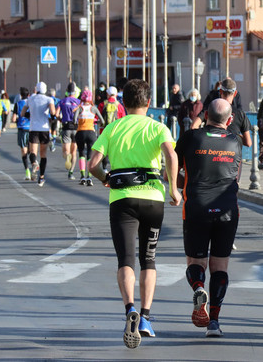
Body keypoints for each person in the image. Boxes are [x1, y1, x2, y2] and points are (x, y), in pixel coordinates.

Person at [88, 79, 181, 349]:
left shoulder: (112, 127)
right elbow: (171, 156)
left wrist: (106, 178)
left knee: (126, 260)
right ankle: (146, 318)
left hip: (122, 199)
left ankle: (130, 308)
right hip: (153, 198)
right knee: (149, 259)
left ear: (123, 104)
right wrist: (174, 189)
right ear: (148, 103)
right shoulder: (157, 127)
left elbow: (92, 164)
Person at [174, 98, 241, 337]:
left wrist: (179, 186)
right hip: (227, 210)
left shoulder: (191, 138)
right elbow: (236, 177)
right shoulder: (235, 141)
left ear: (205, 116)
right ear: (230, 120)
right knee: (220, 266)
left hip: (197, 207)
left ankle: (199, 287)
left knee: (196, 263)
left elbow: (172, 168)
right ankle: (214, 322)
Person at [21, 82, 57, 187]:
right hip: (44, 128)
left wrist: (30, 114)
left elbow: (22, 113)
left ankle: (34, 163)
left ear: (36, 89)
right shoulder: (48, 99)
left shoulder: (30, 99)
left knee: (33, 151)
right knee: (43, 154)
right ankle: (41, 177)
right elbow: (53, 112)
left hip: (33, 128)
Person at [73, 90, 103, 185]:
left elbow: (74, 120)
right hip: (91, 132)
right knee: (90, 155)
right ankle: (89, 177)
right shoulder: (93, 108)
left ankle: (82, 176)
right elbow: (101, 120)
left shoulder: (79, 108)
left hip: (80, 132)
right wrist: (94, 122)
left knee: (81, 153)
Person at [57, 82, 82, 180]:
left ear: (67, 91)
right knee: (74, 152)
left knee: (66, 151)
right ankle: (71, 172)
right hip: (76, 128)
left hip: (66, 127)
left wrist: (60, 119)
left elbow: (56, 113)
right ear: (75, 91)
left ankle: (67, 156)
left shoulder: (62, 101)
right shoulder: (78, 102)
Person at [12, 87, 32, 180]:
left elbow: (13, 118)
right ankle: (34, 163)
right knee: (32, 150)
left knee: (23, 151)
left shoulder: (17, 104)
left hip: (21, 129)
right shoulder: (31, 103)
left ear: (20, 95)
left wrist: (16, 119)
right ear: (28, 95)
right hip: (31, 129)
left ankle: (27, 171)